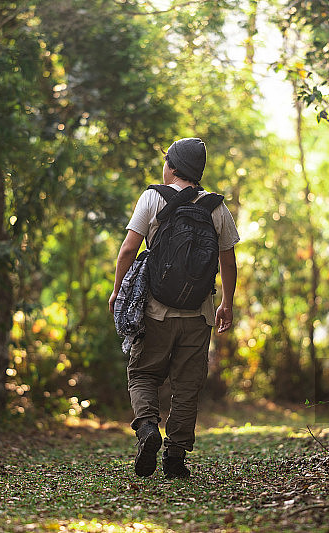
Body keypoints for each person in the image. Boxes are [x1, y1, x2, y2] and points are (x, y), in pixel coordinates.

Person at [108, 137, 240, 478]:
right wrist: (226, 302)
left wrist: (117, 291)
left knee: (142, 373)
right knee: (187, 384)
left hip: (155, 310)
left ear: (174, 167)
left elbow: (127, 251)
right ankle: (175, 457)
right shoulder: (216, 207)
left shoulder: (152, 197)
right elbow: (228, 260)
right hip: (199, 314)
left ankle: (148, 427)